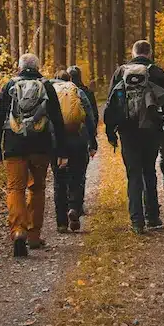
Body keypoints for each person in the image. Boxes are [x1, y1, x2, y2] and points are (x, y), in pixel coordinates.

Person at [0, 53, 67, 256]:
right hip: (41, 147)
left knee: (15, 188)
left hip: (14, 146)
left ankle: (18, 231)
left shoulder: (9, 85)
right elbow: (58, 121)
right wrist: (61, 151)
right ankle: (33, 236)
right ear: (38, 67)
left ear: (19, 67)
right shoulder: (46, 86)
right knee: (37, 189)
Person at [104, 40, 164, 234]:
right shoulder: (156, 72)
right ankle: (152, 217)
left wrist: (111, 133)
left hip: (127, 131)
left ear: (133, 52)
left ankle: (137, 221)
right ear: (149, 53)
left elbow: (110, 104)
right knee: (149, 171)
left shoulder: (120, 72)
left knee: (133, 174)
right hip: (151, 130)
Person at [52, 70, 97, 233]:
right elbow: (90, 117)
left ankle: (61, 222)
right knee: (78, 176)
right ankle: (74, 209)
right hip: (78, 138)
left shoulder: (51, 92)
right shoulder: (77, 91)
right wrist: (93, 142)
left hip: (57, 142)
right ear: (70, 79)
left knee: (59, 180)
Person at [66, 65, 98, 216]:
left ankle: (67, 205)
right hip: (81, 136)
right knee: (79, 171)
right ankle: (77, 205)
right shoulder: (86, 92)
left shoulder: (60, 92)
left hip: (62, 137)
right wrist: (93, 141)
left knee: (65, 171)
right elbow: (93, 116)